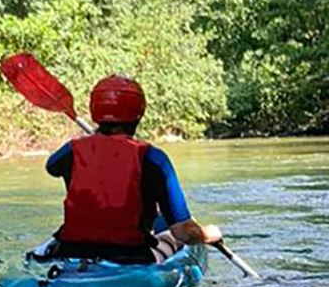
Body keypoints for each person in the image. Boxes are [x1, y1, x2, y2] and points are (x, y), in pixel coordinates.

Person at [39, 75, 222, 263]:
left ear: (95, 110)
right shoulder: (154, 159)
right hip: (132, 256)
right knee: (171, 237)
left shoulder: (71, 151)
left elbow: (52, 167)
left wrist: (97, 143)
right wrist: (209, 234)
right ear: (139, 113)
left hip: (72, 251)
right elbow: (185, 233)